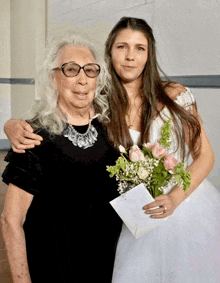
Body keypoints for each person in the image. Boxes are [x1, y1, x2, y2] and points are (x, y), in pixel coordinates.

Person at [4, 17, 220, 282]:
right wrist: (12, 125)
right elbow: (54, 109)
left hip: (182, 206)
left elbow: (206, 156)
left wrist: (174, 198)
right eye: (122, 47)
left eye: (140, 48)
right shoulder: (99, 96)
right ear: (109, 52)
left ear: (150, 55)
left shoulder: (173, 94)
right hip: (131, 215)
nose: (130, 57)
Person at [1, 32, 122, 283]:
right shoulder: (34, 137)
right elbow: (11, 221)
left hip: (105, 267)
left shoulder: (111, 131)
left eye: (90, 70)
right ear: (53, 78)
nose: (82, 80)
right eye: (70, 69)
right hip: (54, 269)